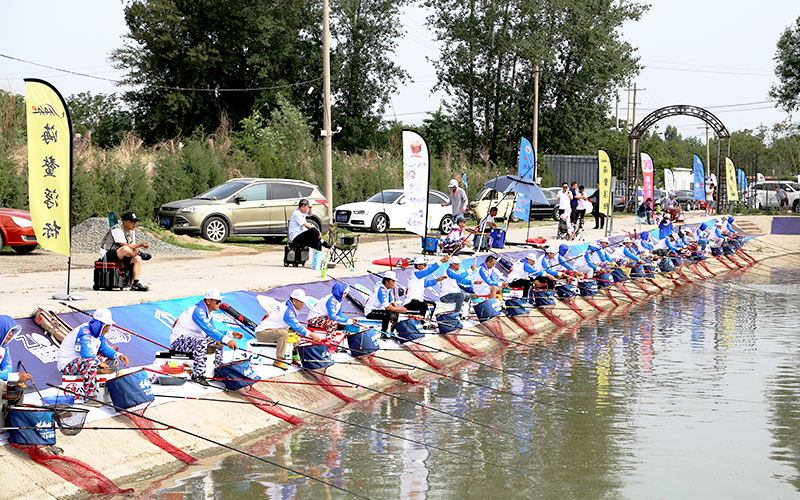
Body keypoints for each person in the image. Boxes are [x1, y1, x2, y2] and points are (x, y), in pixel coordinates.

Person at [56, 308, 130, 406]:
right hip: (67, 364)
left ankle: (113, 390)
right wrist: (99, 362)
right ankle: (89, 397)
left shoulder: (100, 333)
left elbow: (103, 348)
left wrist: (119, 355)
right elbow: (86, 354)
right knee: (91, 362)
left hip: (82, 362)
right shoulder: (84, 331)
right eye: (106, 325)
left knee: (112, 361)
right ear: (98, 324)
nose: (108, 328)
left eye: (109, 325)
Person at [171, 288, 244, 380]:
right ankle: (198, 375)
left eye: (220, 301)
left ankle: (218, 370)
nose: (219, 304)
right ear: (209, 301)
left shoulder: (209, 313)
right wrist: (227, 340)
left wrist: (230, 334)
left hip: (192, 340)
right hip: (178, 342)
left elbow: (213, 331)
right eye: (217, 302)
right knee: (201, 342)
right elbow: (209, 331)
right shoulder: (198, 311)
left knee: (217, 340)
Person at [257, 289, 324, 370]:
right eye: (301, 302)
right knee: (284, 333)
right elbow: (298, 326)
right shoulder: (287, 311)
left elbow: (296, 327)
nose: (303, 304)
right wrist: (313, 335)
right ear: (294, 301)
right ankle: (278, 361)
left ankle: (295, 357)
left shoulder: (288, 306)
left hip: (272, 330)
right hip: (262, 333)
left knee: (293, 331)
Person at [100, 211, 151, 292]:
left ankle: (136, 284)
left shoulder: (132, 230)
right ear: (125, 222)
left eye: (135, 222)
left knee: (137, 259)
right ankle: (141, 254)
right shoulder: (117, 229)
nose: (134, 224)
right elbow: (124, 244)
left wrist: (136, 250)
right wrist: (140, 245)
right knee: (125, 249)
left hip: (125, 254)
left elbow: (133, 245)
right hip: (108, 253)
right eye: (132, 222)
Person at [1, 316, 32, 404]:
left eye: (12, 331)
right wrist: (16, 377)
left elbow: (7, 365)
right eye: (8, 330)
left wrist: (6, 382)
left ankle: (15, 414)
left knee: (17, 385)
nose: (10, 334)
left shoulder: (4, 346)